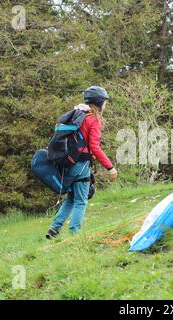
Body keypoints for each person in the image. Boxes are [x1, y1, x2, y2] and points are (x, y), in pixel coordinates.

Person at [45, 86, 118, 239]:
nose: (106, 104)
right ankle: (74, 234)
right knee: (81, 200)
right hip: (81, 164)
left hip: (67, 163)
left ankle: (54, 229)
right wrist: (110, 168)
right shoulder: (93, 120)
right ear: (99, 102)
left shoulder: (77, 116)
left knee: (72, 197)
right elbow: (95, 147)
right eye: (105, 101)